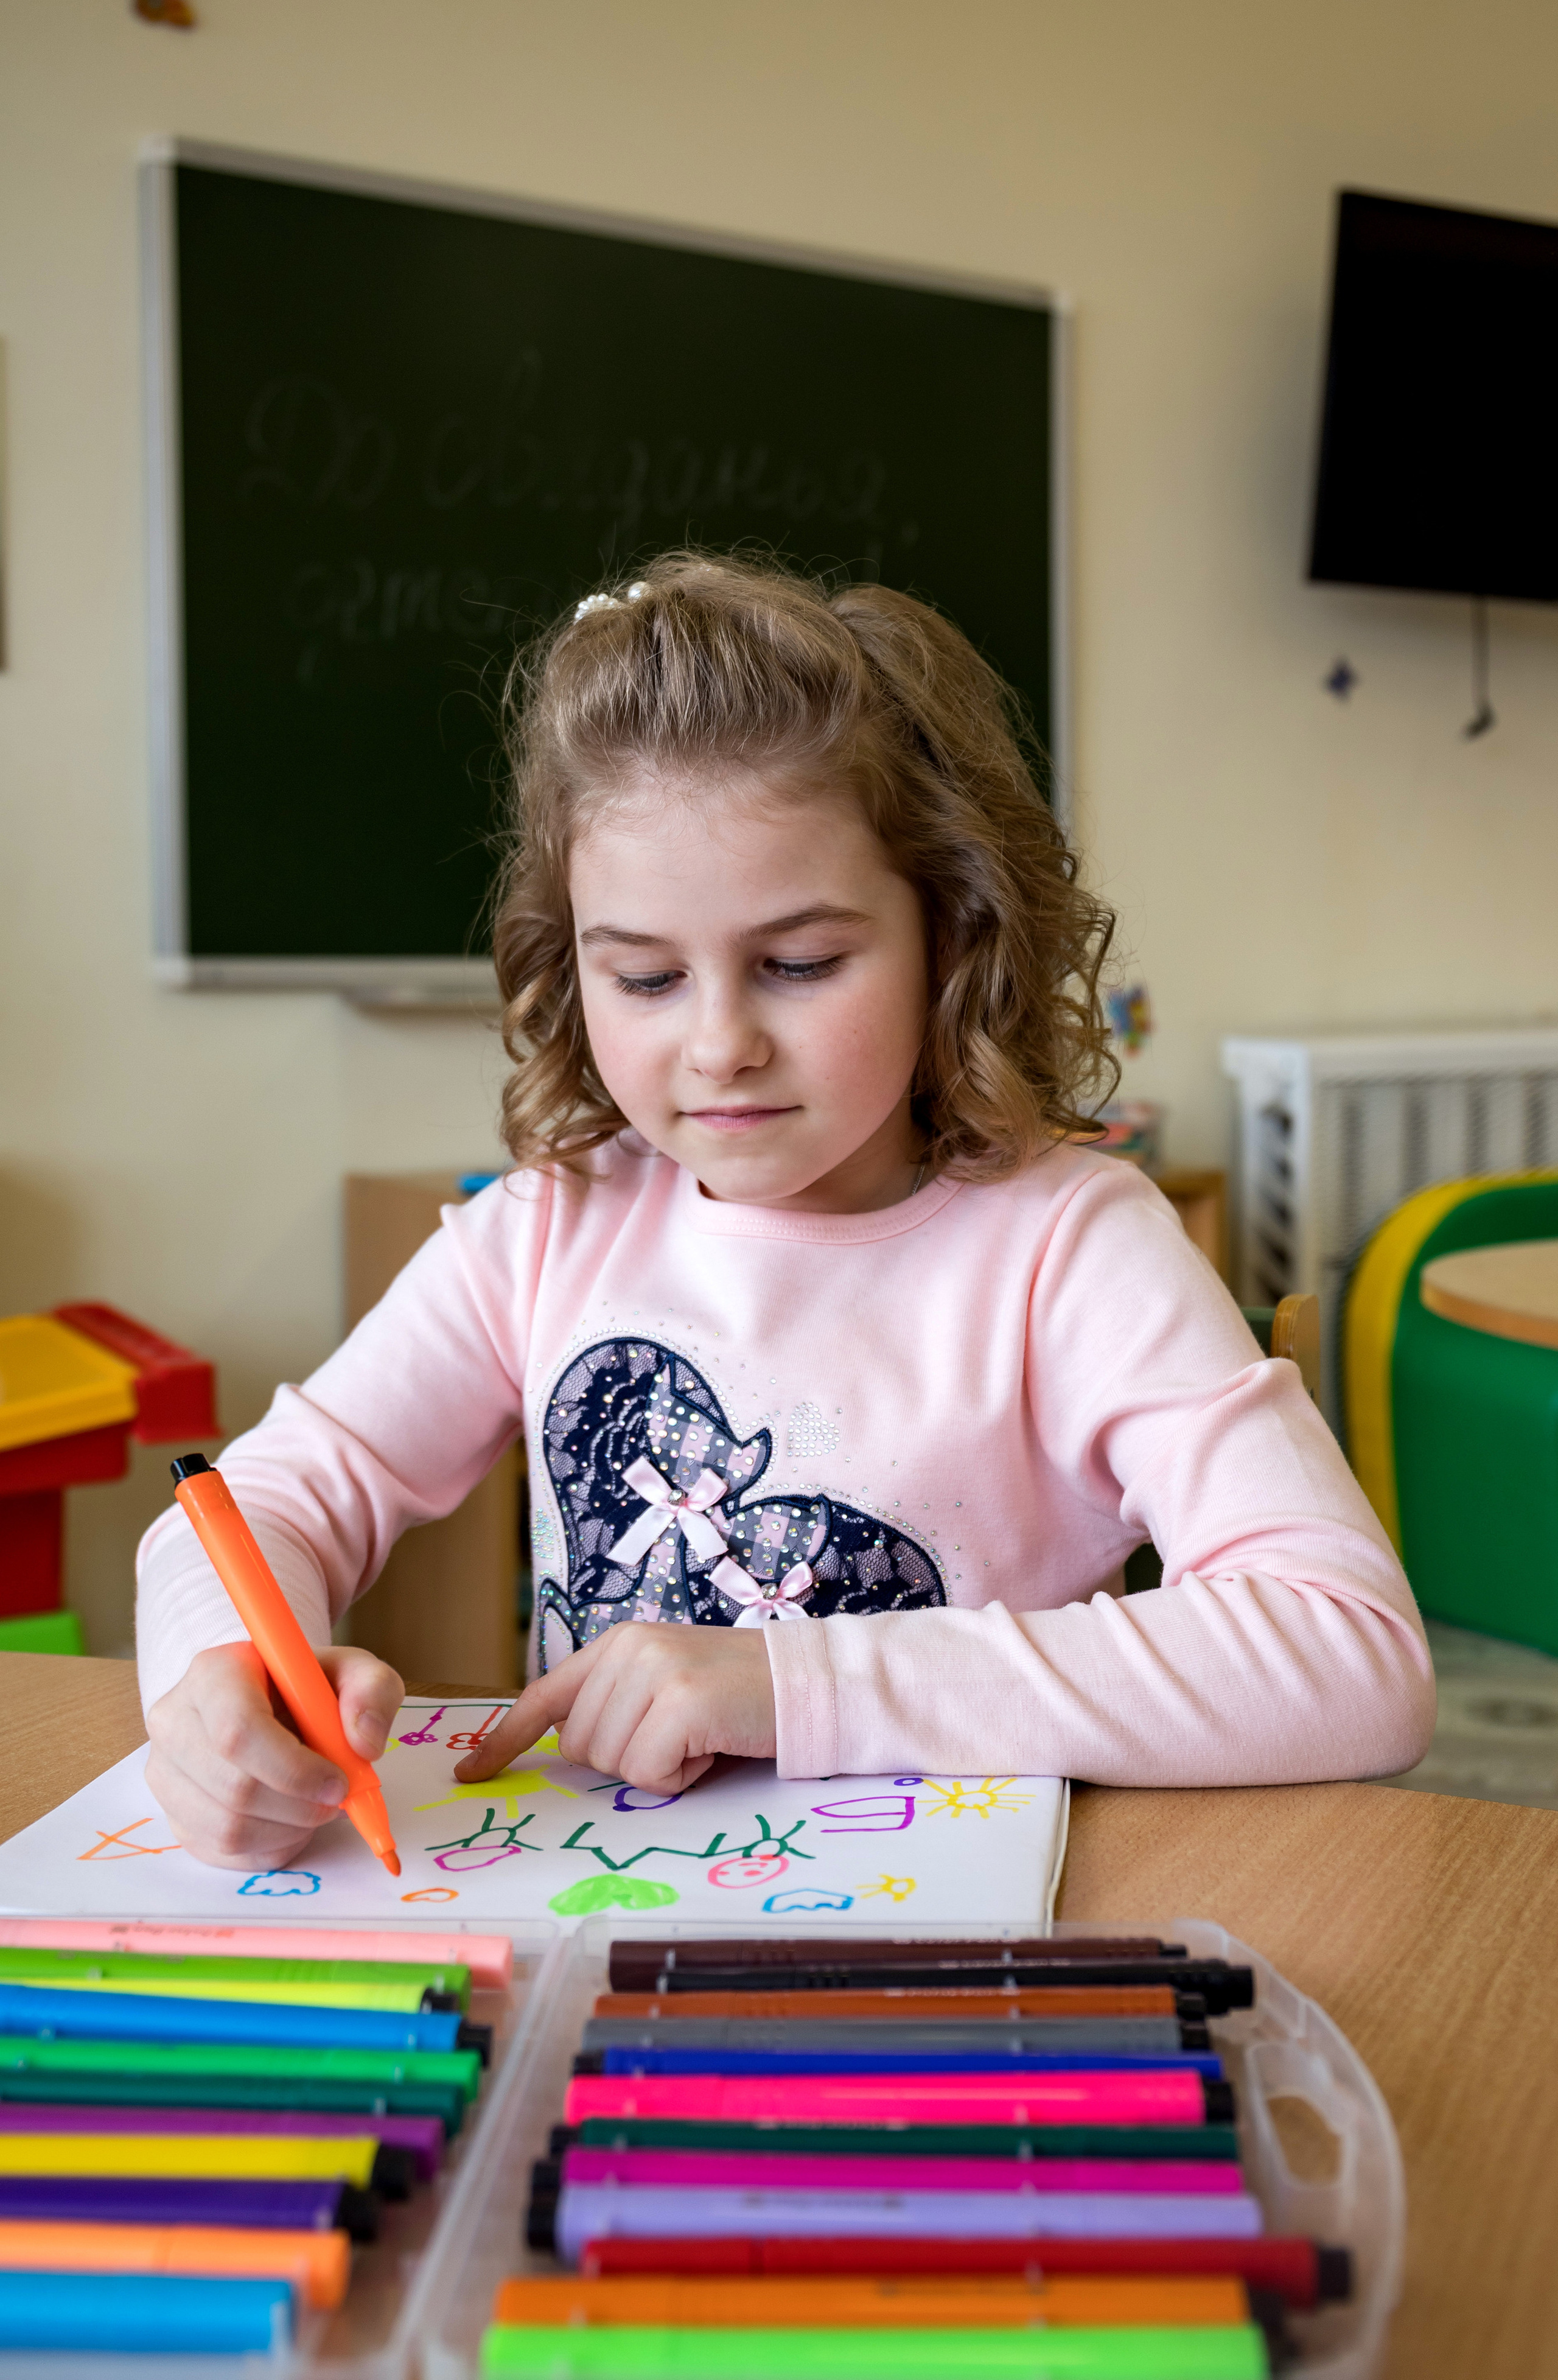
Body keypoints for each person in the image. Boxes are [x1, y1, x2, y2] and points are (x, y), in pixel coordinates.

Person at [136, 551, 1434, 1871]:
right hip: (604, 1939)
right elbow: (253, 1510)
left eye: (798, 963)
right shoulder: (543, 1232)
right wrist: (223, 1678)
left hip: (955, 1967)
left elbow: (1349, 1648)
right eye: (642, 977)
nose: (718, 1045)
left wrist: (795, 1682)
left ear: (954, 928)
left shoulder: (1069, 1248)